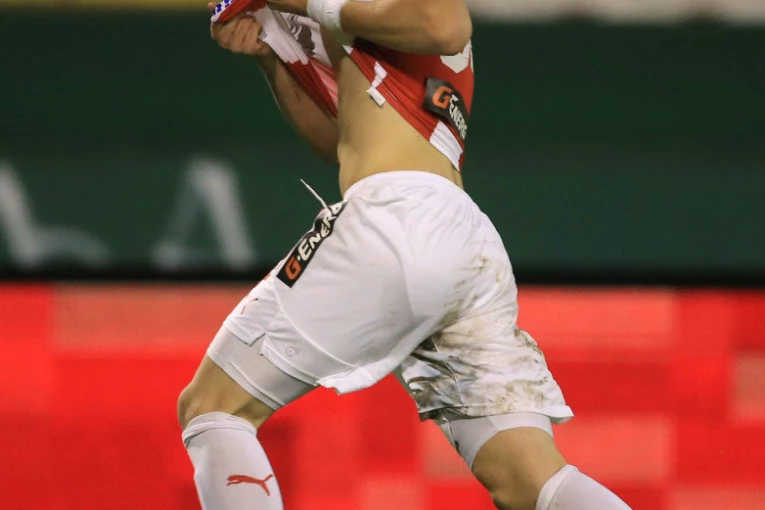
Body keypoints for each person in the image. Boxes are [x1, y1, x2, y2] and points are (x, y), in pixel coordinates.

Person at [178, 1, 633, 509]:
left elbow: (446, 24)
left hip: (398, 219)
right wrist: (270, 57)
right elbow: (339, 142)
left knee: (213, 407)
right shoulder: (365, 19)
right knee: (528, 479)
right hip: (461, 239)